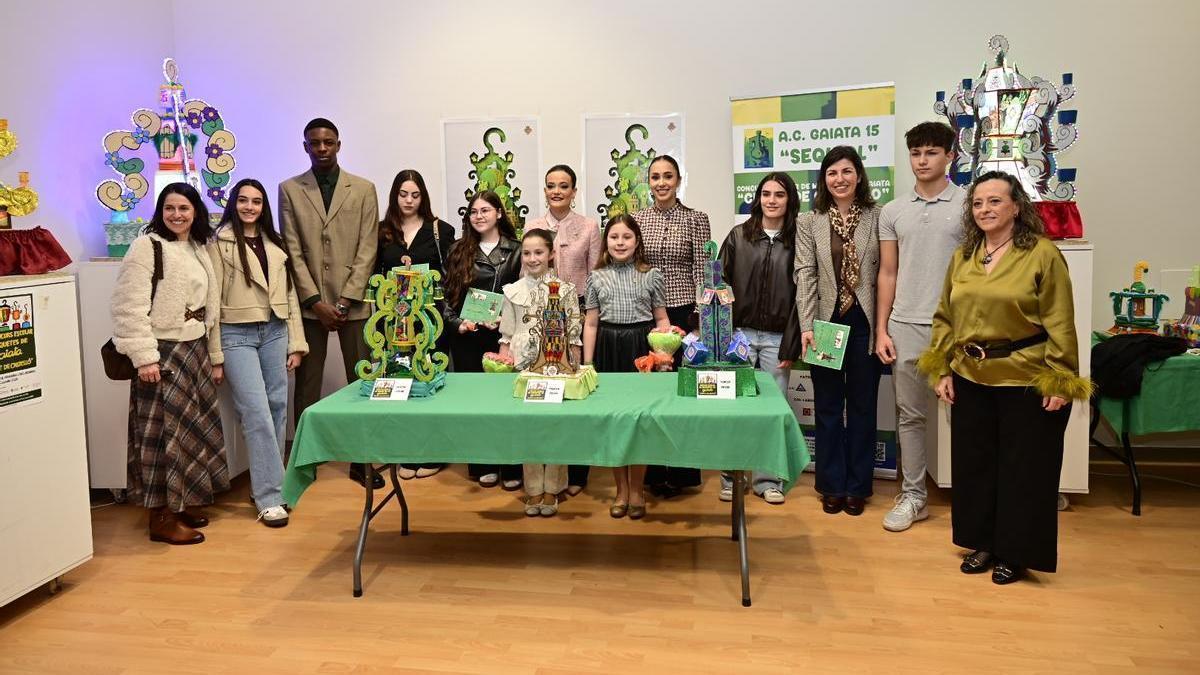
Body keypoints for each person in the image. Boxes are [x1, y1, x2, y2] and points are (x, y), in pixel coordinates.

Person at [920, 170, 1090, 585]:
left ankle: (1016, 552)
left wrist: (1060, 378)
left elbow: (1061, 322)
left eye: (995, 201)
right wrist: (942, 367)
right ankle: (984, 542)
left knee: (1024, 471)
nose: (985, 210)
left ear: (1016, 206)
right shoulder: (964, 256)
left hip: (1026, 378)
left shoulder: (1043, 254)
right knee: (976, 466)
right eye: (978, 203)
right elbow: (945, 315)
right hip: (971, 375)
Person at [111, 182, 226, 545]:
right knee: (163, 435)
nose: (176, 214)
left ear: (196, 212)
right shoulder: (146, 247)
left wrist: (214, 355)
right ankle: (160, 517)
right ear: (161, 211)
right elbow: (128, 306)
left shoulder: (199, 247)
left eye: (184, 208)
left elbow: (212, 309)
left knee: (190, 431)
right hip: (162, 352)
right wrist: (144, 357)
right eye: (169, 208)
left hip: (193, 349)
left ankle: (182, 502)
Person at [278, 117, 382, 489]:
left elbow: (368, 246)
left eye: (328, 142)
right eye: (314, 143)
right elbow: (292, 247)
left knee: (362, 382)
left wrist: (346, 297)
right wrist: (315, 300)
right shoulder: (289, 189)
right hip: (311, 304)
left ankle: (363, 460)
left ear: (339, 144)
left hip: (353, 303)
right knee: (307, 385)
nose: (321, 148)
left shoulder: (364, 189)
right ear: (305, 146)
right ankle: (305, 462)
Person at [875, 122, 967, 532]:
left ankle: (981, 495)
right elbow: (887, 274)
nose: (923, 160)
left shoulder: (970, 206)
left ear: (950, 155)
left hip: (959, 330)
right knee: (910, 417)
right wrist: (881, 328)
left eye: (932, 152)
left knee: (971, 418)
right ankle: (914, 496)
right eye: (916, 153)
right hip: (905, 325)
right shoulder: (893, 211)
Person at [207, 178, 308, 528]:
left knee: (278, 407)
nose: (250, 207)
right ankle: (269, 495)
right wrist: (215, 353)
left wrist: (297, 342)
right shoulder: (218, 245)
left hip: (275, 330)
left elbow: (290, 297)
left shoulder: (275, 245)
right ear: (233, 203)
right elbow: (211, 302)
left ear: (264, 208)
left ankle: (268, 485)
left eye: (257, 201)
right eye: (244, 200)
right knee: (257, 412)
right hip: (236, 333)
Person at [795, 145, 882, 517]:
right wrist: (807, 326)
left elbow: (887, 273)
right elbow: (806, 274)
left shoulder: (879, 217)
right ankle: (831, 484)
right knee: (828, 408)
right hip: (826, 324)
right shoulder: (809, 221)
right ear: (824, 179)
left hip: (865, 323)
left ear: (858, 175)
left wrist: (883, 328)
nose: (839, 179)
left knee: (863, 408)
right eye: (832, 173)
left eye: (846, 171)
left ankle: (858, 486)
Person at [716, 172, 803, 505]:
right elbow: (719, 285)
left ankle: (767, 479)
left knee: (772, 410)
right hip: (739, 335)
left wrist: (792, 343)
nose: (771, 200)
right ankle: (730, 475)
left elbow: (804, 296)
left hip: (778, 339)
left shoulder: (798, 240)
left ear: (789, 199)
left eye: (779, 194)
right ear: (758, 198)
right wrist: (721, 335)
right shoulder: (739, 236)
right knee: (732, 408)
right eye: (765, 194)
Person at [582, 214, 671, 520]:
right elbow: (591, 323)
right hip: (608, 346)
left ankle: (637, 489)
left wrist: (663, 355)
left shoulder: (652, 275)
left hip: (640, 346)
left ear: (637, 242)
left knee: (640, 421)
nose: (620, 243)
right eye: (614, 237)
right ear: (606, 242)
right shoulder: (595, 277)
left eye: (627, 237)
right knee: (615, 421)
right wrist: (587, 363)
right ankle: (620, 490)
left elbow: (661, 319)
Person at [633, 155, 709, 496]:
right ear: (648, 182)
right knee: (651, 391)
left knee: (680, 392)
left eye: (668, 176)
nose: (661, 182)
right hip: (647, 314)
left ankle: (682, 471)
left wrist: (698, 322)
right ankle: (652, 470)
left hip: (682, 314)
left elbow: (703, 270)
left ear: (679, 180)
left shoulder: (696, 219)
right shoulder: (638, 219)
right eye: (655, 177)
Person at [525, 164, 602, 495]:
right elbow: (526, 271)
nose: (557, 191)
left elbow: (596, 275)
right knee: (541, 393)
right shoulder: (533, 226)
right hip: (541, 316)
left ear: (574, 190)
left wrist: (586, 320)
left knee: (573, 395)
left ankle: (578, 473)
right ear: (545, 190)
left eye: (564, 186)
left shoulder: (588, 226)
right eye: (551, 186)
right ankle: (542, 475)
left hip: (576, 313)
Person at [376, 168, 456, 480]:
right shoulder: (382, 232)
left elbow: (454, 276)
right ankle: (407, 452)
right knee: (400, 384)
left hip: (431, 321)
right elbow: (374, 275)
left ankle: (435, 451)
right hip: (395, 324)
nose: (409, 200)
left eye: (415, 194)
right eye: (403, 194)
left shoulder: (440, 230)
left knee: (431, 384)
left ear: (423, 197)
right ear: (395, 196)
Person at [498, 229, 582, 516]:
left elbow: (574, 336)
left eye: (539, 252)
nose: (532, 258)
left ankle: (553, 487)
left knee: (554, 426)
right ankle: (532, 488)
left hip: (556, 361)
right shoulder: (511, 291)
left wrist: (576, 368)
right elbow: (506, 336)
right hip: (523, 363)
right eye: (527, 253)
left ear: (551, 255)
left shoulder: (566, 290)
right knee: (528, 426)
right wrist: (501, 364)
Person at [444, 190, 523, 489]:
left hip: (505, 338)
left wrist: (507, 320)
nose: (479, 216)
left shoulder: (516, 250)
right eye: (473, 211)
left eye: (485, 210)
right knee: (475, 405)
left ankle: (512, 465)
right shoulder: (457, 251)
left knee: (508, 403)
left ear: (499, 213)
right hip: (468, 339)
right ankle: (483, 463)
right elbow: (445, 297)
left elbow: (525, 293)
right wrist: (458, 324)